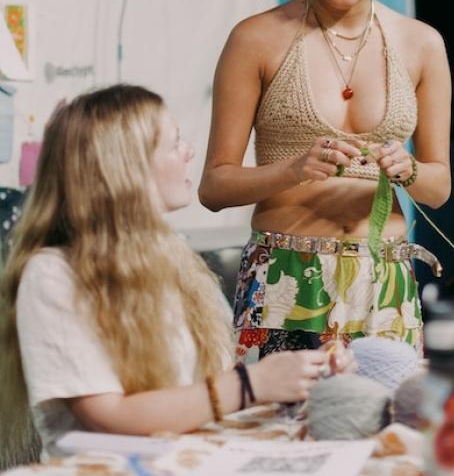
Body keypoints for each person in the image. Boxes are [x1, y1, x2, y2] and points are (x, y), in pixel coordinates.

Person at [0, 84, 349, 468]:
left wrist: (302, 375)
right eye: (174, 143)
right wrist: (251, 385)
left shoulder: (174, 258)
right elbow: (107, 417)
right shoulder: (52, 274)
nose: (189, 152)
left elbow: (202, 391)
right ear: (126, 167)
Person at [199, 0, 451, 361]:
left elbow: (439, 187)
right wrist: (293, 170)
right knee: (270, 430)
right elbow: (214, 187)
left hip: (383, 280)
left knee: (382, 432)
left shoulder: (422, 44)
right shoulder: (256, 39)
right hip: (282, 275)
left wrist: (410, 171)